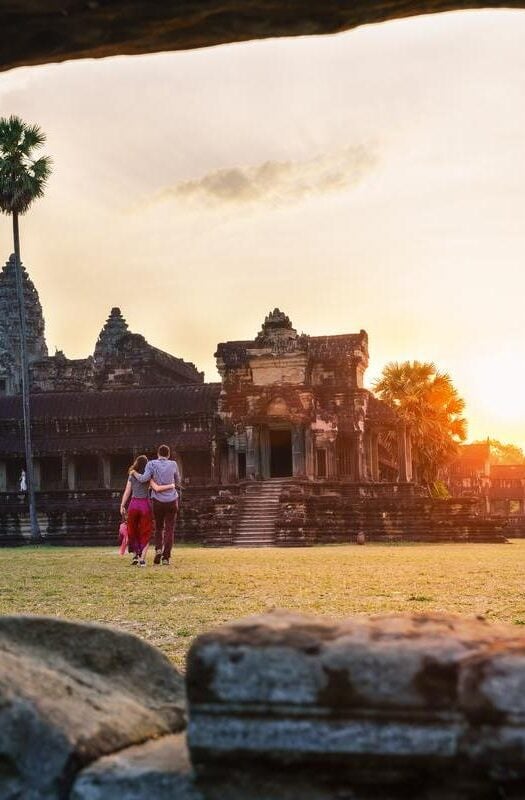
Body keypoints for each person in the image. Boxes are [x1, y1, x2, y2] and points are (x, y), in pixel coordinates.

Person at [120, 454, 174, 566]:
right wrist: (171, 485)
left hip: (133, 504)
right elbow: (157, 488)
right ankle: (142, 559)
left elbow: (127, 491)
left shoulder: (132, 475)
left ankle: (135, 556)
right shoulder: (149, 477)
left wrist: (122, 504)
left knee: (133, 530)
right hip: (145, 504)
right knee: (145, 532)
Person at [131, 445, 180, 565]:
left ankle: (158, 549)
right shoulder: (173, 464)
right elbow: (178, 481)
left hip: (157, 501)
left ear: (158, 454)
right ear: (168, 455)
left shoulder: (151, 464)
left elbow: (143, 479)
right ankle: (166, 557)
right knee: (169, 529)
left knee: (159, 528)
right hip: (172, 500)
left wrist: (134, 472)